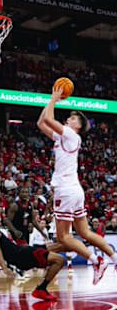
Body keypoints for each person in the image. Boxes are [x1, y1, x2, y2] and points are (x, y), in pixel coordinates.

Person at [37, 86, 117, 285]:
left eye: (73, 118)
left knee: (64, 237)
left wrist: (54, 99)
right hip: (74, 189)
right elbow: (41, 122)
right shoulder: (65, 136)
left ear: (78, 125)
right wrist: (50, 100)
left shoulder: (72, 135)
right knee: (85, 233)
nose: (69, 119)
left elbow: (48, 120)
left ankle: (96, 260)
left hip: (65, 190)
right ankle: (114, 258)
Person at [0, 198, 64, 301]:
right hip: (23, 255)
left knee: (60, 247)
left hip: (21, 258)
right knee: (59, 260)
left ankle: (42, 287)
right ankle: (41, 289)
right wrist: (4, 268)